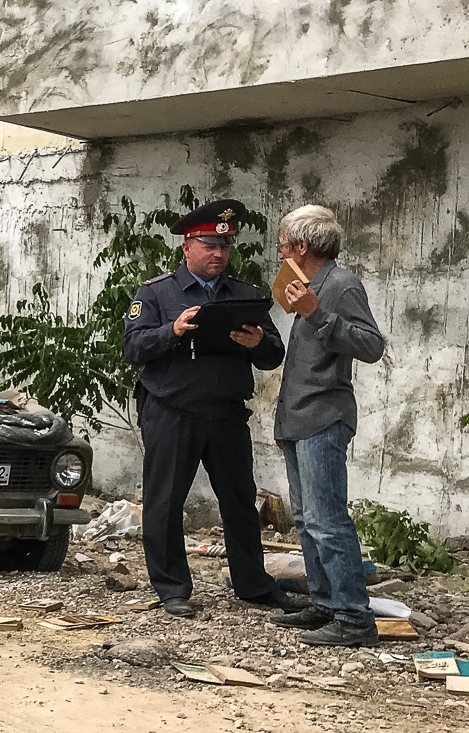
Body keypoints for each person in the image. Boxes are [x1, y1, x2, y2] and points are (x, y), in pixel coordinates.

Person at [122, 199, 306, 618]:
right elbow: (132, 347)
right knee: (165, 501)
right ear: (187, 247)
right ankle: (172, 588)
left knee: (240, 501)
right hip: (172, 410)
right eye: (208, 246)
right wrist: (171, 330)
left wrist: (257, 342)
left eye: (224, 246)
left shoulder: (243, 295)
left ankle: (253, 585)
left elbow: (273, 354)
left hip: (226, 413)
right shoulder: (156, 293)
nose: (218, 253)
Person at [265, 206, 387, 647]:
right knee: (305, 519)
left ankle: (354, 618)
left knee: (327, 520)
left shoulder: (340, 285)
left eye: (283, 244)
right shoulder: (306, 285)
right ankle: (325, 603)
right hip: (297, 417)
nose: (280, 252)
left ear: (302, 246)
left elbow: (371, 346)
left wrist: (318, 315)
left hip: (323, 417)